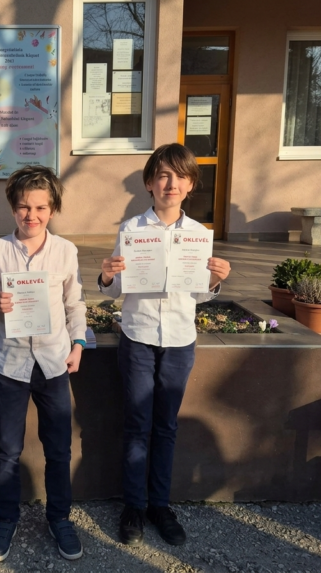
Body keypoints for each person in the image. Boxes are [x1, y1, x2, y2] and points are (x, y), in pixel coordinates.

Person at [98, 143, 231, 547]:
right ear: (149, 183)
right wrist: (107, 276)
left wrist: (215, 280)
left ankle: (160, 505)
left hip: (178, 339)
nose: (171, 184)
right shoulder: (131, 230)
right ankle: (134, 506)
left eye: (180, 176)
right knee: (137, 424)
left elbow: (200, 294)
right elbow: (116, 289)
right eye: (163, 175)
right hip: (138, 336)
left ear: (190, 185)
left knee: (166, 426)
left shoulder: (198, 235)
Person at [0, 165, 87, 562]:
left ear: (52, 210)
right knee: (7, 449)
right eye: (24, 207)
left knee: (58, 448)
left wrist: (78, 343)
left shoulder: (66, 251)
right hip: (11, 363)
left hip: (54, 363)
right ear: (12, 208)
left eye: (41, 208)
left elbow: (74, 303)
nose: (32, 215)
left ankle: (60, 519)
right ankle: (6, 520)